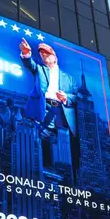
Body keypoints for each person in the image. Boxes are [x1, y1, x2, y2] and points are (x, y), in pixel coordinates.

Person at [20, 38, 80, 175]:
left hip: (61, 111)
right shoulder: (40, 70)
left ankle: (67, 173)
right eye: (42, 54)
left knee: (65, 144)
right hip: (45, 108)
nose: (44, 55)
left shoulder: (69, 79)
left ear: (55, 57)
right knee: (41, 138)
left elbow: (78, 98)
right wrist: (26, 54)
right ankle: (42, 169)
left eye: (47, 53)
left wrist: (66, 97)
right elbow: (30, 64)